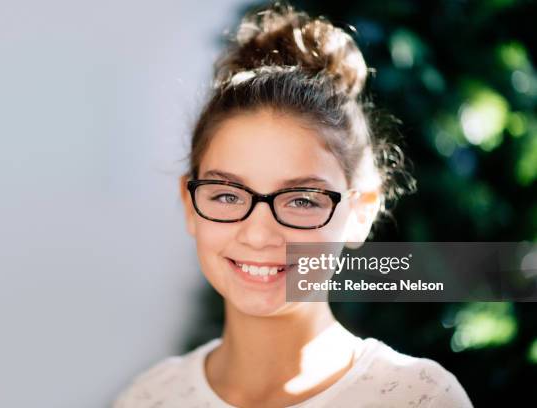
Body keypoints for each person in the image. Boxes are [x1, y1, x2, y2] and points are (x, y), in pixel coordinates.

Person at [114, 2, 473, 407]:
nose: (259, 233)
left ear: (360, 211)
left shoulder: (419, 397)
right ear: (190, 203)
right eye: (228, 195)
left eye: (301, 200)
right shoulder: (148, 398)